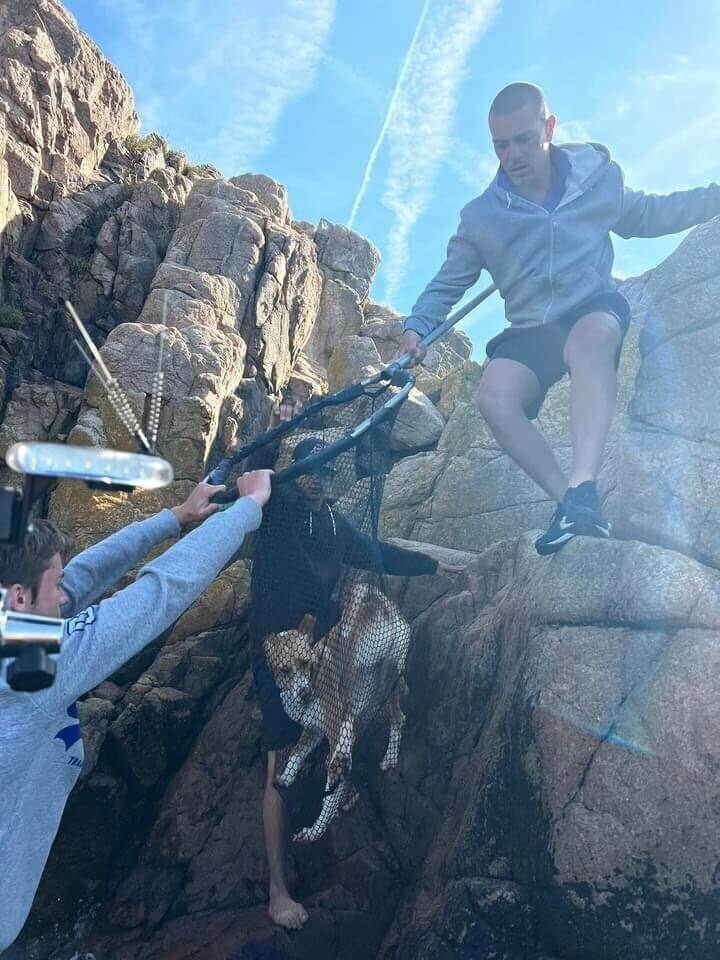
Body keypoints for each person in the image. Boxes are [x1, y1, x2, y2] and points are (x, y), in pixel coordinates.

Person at [401, 81, 720, 554]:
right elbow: (447, 283)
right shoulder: (482, 217)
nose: (513, 154)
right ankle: (572, 504)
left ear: (549, 128)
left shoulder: (597, 178)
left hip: (592, 306)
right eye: (501, 145)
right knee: (494, 396)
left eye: (524, 139)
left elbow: (649, 215)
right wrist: (415, 329)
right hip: (530, 327)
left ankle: (584, 482)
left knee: (589, 341)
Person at [0, 470, 272, 954]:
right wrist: (246, 512)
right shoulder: (27, 674)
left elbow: (77, 583)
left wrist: (173, 518)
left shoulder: (15, 635)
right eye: (52, 585)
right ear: (19, 598)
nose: (64, 596)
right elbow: (157, 594)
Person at [247, 409, 463, 931]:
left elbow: (379, 553)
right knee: (279, 764)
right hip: (278, 652)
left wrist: (435, 567)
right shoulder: (275, 512)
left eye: (323, 474)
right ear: (293, 477)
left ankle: (330, 804)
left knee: (339, 722)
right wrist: (273, 434)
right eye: (307, 473)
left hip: (324, 645)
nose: (315, 482)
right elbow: (254, 480)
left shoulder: (334, 525)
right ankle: (278, 890)